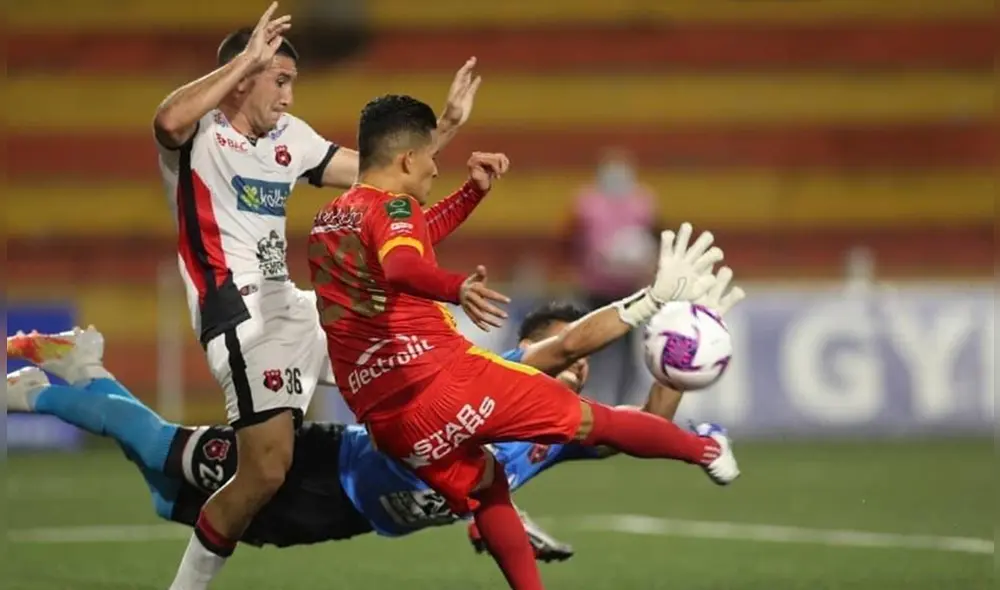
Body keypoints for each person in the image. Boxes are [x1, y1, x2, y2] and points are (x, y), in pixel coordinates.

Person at [4, 269, 743, 563]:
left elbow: (637, 429)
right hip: (321, 465)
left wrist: (668, 370)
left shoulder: (551, 433)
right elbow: (569, 346)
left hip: (340, 515)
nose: (575, 376)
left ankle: (82, 375)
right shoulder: (508, 377)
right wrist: (648, 303)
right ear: (531, 349)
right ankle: (39, 390)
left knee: (169, 496)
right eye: (563, 362)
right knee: (164, 448)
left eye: (580, 374)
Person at [308, 93, 737, 589]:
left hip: (386, 417)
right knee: (592, 422)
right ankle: (704, 448)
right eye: (431, 157)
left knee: (488, 488)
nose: (432, 169)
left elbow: (410, 241)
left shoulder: (330, 218)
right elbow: (404, 264)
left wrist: (471, 194)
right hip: (441, 378)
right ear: (407, 158)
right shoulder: (395, 206)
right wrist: (456, 288)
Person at [150, 3, 480, 587]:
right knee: (266, 472)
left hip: (296, 306)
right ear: (243, 76)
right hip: (241, 316)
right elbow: (167, 120)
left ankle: (494, 503)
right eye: (279, 80)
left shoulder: (288, 139)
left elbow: (382, 174)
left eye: (292, 83)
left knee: (418, 369)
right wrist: (247, 59)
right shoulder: (200, 134)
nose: (288, 97)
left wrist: (443, 129)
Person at [569, 148, 659, 407]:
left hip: (630, 290)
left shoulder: (643, 202)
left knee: (629, 353)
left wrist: (645, 266)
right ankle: (590, 399)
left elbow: (653, 238)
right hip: (595, 288)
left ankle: (623, 403)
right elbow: (572, 241)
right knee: (591, 348)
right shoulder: (586, 203)